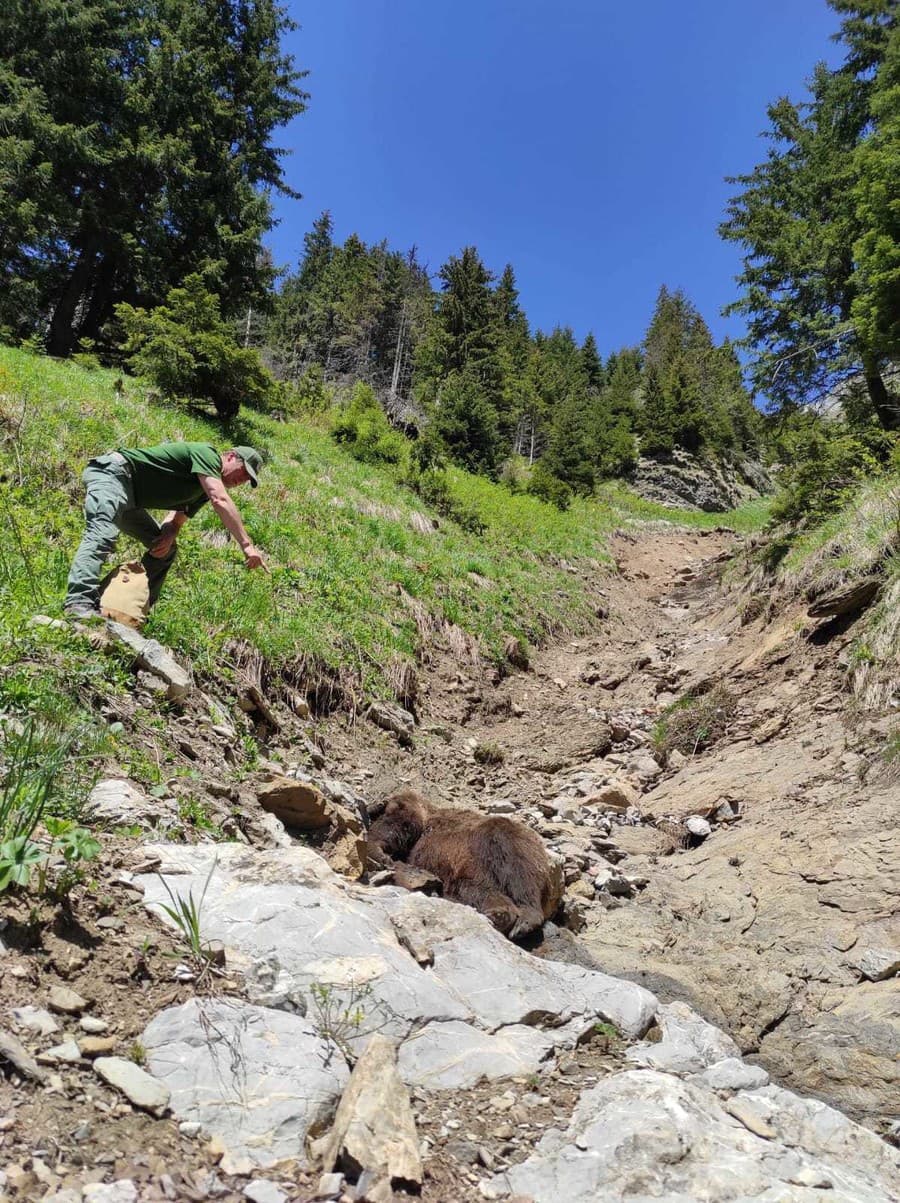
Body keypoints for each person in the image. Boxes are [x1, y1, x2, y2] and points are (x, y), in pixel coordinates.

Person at [64, 441, 268, 619]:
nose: (242, 481)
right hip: (114, 475)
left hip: (132, 499)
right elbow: (220, 498)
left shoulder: (201, 492)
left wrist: (168, 535)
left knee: (165, 551)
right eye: (243, 472)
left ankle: (133, 611)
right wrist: (247, 545)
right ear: (231, 456)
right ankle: (79, 603)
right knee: (102, 534)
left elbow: (175, 522)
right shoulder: (207, 455)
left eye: (248, 480)